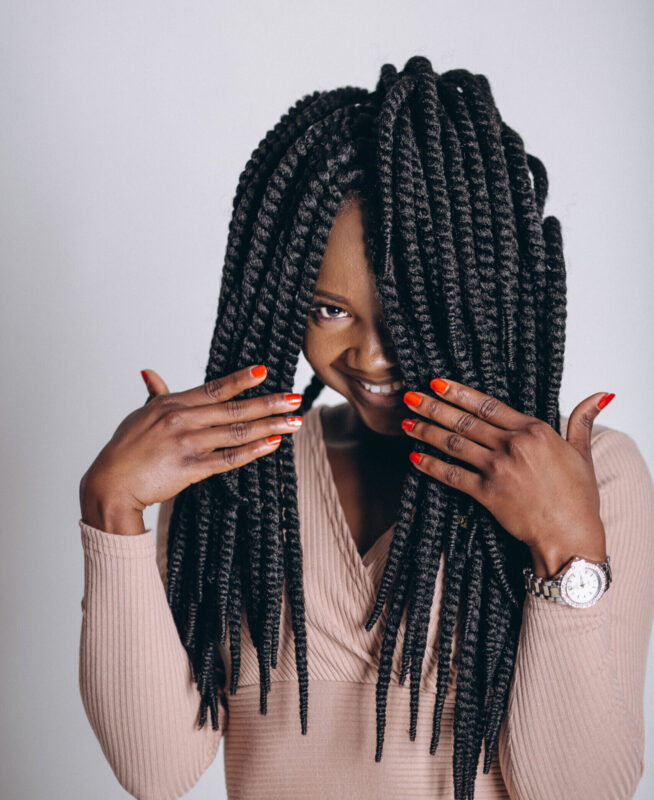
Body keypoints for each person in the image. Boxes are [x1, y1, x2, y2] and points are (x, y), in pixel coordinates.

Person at [78, 56, 654, 800]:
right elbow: (154, 771)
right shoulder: (239, 465)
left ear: (475, 298)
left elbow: (579, 792)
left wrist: (567, 546)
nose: (372, 355)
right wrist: (112, 512)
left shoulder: (596, 475)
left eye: (409, 311)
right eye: (328, 309)